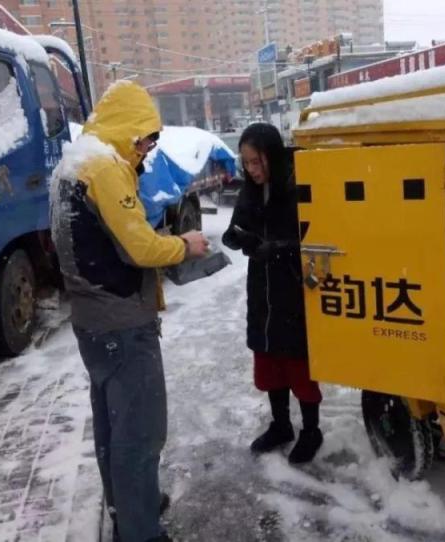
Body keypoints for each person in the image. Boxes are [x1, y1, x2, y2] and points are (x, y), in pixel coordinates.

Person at [50, 81, 208, 542]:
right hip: (122, 320)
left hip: (90, 322)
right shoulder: (105, 167)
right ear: (127, 128)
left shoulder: (72, 163)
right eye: (145, 138)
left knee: (112, 427)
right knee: (140, 433)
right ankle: (141, 532)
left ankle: (128, 504)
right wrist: (184, 244)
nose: (147, 148)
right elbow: (139, 247)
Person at [222, 123, 323, 464]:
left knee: (298, 362)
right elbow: (236, 227)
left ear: (272, 155)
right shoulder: (250, 190)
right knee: (269, 359)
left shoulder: (298, 184)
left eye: (257, 161)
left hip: (294, 288)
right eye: (247, 163)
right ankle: (281, 425)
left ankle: (312, 430)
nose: (252, 170)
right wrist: (238, 238)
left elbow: (316, 237)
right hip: (262, 288)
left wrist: (277, 248)